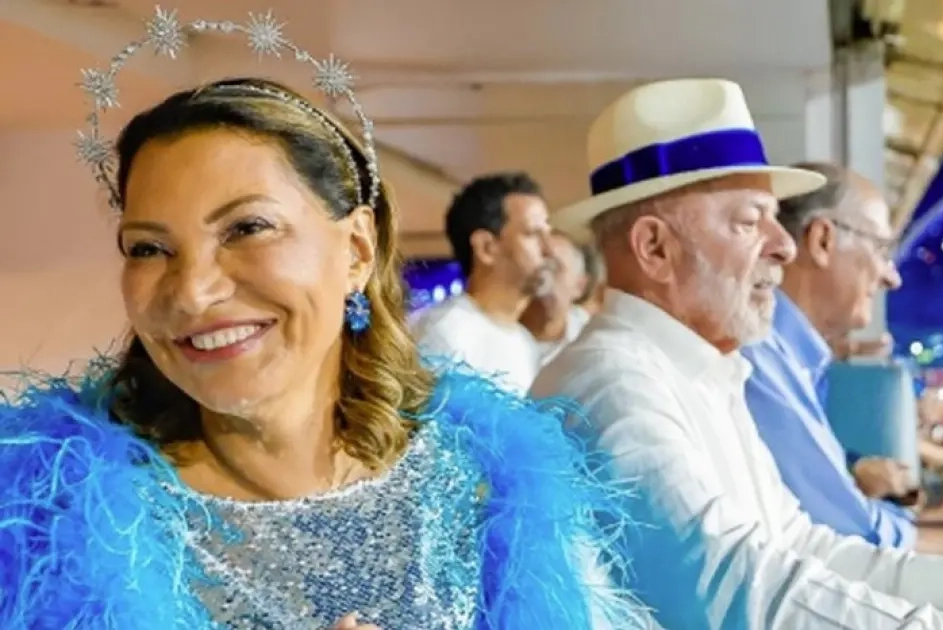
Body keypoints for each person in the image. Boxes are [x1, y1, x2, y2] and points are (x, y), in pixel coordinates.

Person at [0, 74, 645, 628]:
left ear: (357, 250)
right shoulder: (51, 528)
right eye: (148, 248)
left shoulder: (488, 486)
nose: (192, 292)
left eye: (247, 228)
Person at [533, 78, 943, 629]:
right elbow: (737, 593)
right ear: (655, 248)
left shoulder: (702, 376)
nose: (784, 245)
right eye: (748, 222)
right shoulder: (614, 385)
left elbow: (797, 543)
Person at [741, 163, 943, 568]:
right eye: (881, 250)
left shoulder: (796, 361)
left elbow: (839, 516)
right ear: (822, 240)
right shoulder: (760, 356)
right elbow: (843, 536)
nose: (892, 277)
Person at [413, 172, 553, 393]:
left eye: (548, 234)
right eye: (533, 234)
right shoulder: (447, 332)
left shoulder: (524, 342)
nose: (549, 250)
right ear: (486, 247)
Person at [520, 230, 592, 361]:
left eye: (554, 267)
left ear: (579, 286)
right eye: (536, 266)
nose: (542, 277)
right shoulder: (492, 330)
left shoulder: (590, 339)